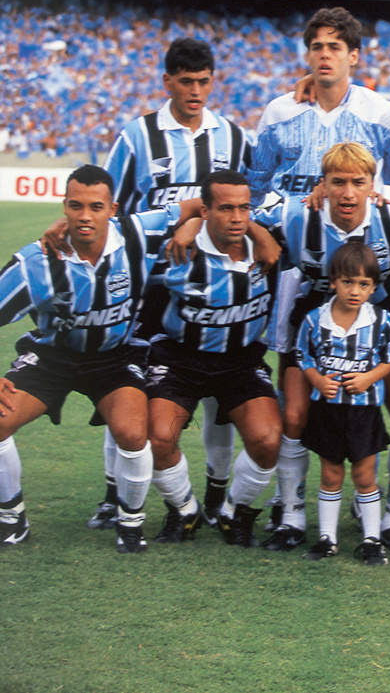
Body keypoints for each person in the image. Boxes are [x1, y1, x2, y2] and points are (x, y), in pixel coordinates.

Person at [238, 143, 390, 555]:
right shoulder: (295, 214)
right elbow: (236, 214)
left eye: (358, 182)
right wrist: (259, 235)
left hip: (381, 323)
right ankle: (291, 515)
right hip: (314, 323)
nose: (348, 193)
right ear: (321, 184)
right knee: (294, 416)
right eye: (337, 182)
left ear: (373, 185)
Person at [94, 36, 253, 531]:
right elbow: (111, 212)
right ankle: (114, 494)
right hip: (150, 288)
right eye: (186, 82)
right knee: (128, 389)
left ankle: (216, 493)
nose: (195, 91)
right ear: (167, 82)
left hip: (219, 286)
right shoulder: (137, 136)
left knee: (218, 395)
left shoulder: (232, 137)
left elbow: (249, 204)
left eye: (203, 82)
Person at [0, 166, 180, 552]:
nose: (85, 216)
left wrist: (192, 229)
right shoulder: (35, 261)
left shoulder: (137, 233)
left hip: (113, 358)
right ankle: (11, 518)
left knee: (133, 433)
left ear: (112, 209)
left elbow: (200, 207)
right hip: (51, 358)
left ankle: (130, 524)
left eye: (95, 207)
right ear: (64, 206)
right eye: (76, 206)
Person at [145, 171, 282, 549]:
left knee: (269, 441)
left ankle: (234, 511)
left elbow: (317, 212)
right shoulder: (176, 250)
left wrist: (261, 232)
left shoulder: (272, 242)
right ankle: (183, 509)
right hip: (180, 359)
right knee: (157, 438)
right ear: (204, 211)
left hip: (241, 361)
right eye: (225, 209)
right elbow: (117, 234)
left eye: (244, 208)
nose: (237, 218)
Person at [296, 242, 390, 566]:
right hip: (327, 410)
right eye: (347, 282)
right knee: (330, 474)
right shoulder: (314, 320)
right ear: (333, 282)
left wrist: (369, 378)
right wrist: (317, 381)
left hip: (363, 411)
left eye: (363, 284)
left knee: (364, 475)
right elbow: (303, 356)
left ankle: (372, 539)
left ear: (373, 287)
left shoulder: (382, 321)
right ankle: (327, 538)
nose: (354, 291)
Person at [249, 6, 390, 205]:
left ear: (353, 56)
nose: (325, 54)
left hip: (357, 223)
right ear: (308, 56)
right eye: (317, 47)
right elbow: (255, 185)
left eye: (334, 47)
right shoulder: (278, 112)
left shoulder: (381, 112)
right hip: (289, 222)